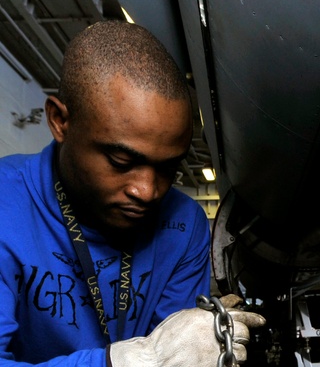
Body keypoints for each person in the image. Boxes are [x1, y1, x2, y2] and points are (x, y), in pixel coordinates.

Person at [0, 20, 264, 366]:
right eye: (121, 160)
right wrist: (128, 360)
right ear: (59, 121)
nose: (147, 191)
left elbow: (175, 353)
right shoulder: (6, 202)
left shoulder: (183, 225)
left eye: (169, 168)